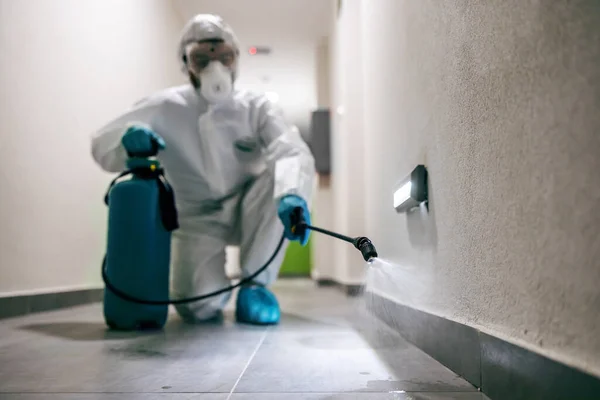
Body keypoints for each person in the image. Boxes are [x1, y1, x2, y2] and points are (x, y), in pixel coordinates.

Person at [90, 14, 315, 325]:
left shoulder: (257, 107)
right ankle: (216, 289)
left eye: (225, 57)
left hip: (250, 206)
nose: (216, 68)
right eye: (202, 59)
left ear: (236, 60)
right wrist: (129, 141)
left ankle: (255, 286)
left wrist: (292, 194)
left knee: (283, 177)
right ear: (186, 63)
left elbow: (289, 148)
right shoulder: (164, 106)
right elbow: (101, 146)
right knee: (197, 308)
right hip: (196, 218)